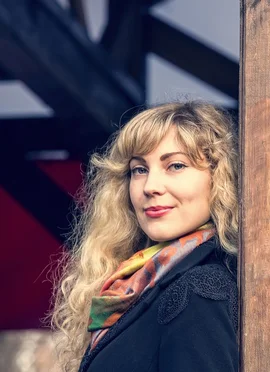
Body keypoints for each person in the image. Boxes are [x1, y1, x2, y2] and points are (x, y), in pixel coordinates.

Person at [51, 102, 239, 372]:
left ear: (218, 178)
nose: (150, 187)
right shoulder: (139, 283)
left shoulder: (199, 289)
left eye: (175, 165)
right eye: (139, 169)